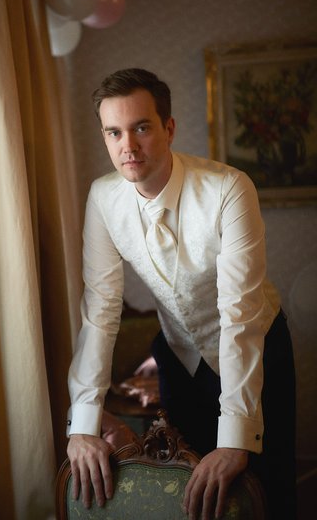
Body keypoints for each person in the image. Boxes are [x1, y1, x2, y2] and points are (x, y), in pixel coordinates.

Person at [66, 68, 296, 520]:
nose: (127, 146)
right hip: (177, 353)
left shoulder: (229, 189)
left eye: (141, 127)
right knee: (186, 487)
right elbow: (101, 310)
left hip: (257, 346)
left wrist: (235, 438)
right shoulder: (102, 197)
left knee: (265, 490)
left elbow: (240, 316)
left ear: (169, 128)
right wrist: (84, 423)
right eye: (113, 132)